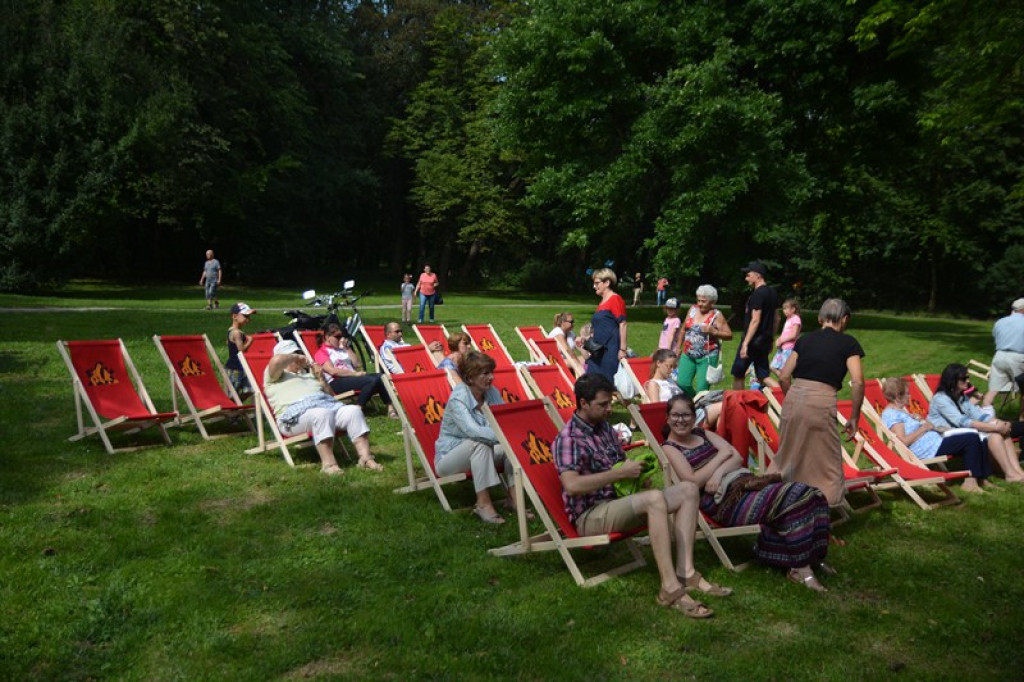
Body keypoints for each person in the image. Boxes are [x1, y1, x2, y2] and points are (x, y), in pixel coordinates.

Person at [554, 373, 729, 618]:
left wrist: (635, 474)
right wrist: (618, 475)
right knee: (654, 498)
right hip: (590, 515)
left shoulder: (603, 427)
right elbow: (571, 485)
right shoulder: (569, 439)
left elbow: (619, 461)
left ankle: (686, 572)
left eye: (609, 404)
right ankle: (669, 589)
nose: (608, 410)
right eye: (602, 405)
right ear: (583, 403)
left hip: (617, 502)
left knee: (688, 490)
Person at [661, 394, 833, 592]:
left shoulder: (701, 433)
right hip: (722, 502)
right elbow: (692, 480)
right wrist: (720, 459)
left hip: (742, 484)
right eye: (675, 415)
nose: (680, 420)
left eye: (686, 415)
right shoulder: (670, 447)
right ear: (667, 418)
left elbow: (736, 456)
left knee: (814, 494)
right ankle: (801, 568)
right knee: (796, 496)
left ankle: (810, 558)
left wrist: (717, 473)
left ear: (694, 416)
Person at [770, 299, 864, 506]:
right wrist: (855, 417)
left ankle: (780, 499)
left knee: (788, 454)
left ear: (820, 318)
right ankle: (824, 507)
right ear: (845, 319)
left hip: (794, 397)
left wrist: (792, 399)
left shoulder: (804, 340)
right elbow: (857, 382)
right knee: (826, 460)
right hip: (821, 400)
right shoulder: (848, 343)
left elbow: (784, 376)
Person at [264, 340, 382, 474]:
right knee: (321, 414)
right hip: (292, 418)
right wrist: (297, 357)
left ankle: (366, 459)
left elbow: (331, 397)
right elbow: (276, 361)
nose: (298, 357)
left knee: (353, 411)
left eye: (299, 353)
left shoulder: (308, 375)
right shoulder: (273, 376)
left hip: (325, 407)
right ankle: (329, 465)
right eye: (293, 354)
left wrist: (321, 379)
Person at [434, 352, 525, 523]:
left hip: (481, 451)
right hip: (449, 458)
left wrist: (509, 438)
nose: (491, 377)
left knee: (508, 448)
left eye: (491, 372)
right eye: (485, 373)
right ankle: (483, 504)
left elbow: (505, 421)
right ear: (469, 378)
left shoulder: (491, 393)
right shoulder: (458, 399)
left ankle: (514, 499)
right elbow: (473, 431)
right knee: (479, 443)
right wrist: (506, 437)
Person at [881, 377, 993, 493]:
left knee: (979, 437)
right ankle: (970, 483)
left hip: (935, 442)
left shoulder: (901, 411)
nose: (910, 397)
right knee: (971, 439)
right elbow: (902, 442)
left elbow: (930, 426)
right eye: (907, 394)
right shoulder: (891, 414)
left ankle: (983, 479)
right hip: (926, 449)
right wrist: (923, 428)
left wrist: (921, 421)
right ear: (898, 397)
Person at [928, 364, 1024, 483]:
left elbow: (979, 416)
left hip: (962, 430)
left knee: (1004, 432)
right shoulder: (941, 399)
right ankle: (1010, 474)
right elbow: (963, 422)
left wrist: (1001, 423)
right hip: (945, 434)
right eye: (964, 378)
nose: (967, 381)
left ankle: (1017, 471)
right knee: (995, 434)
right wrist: (995, 427)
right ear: (952, 380)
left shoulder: (961, 397)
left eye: (967, 377)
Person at [314, 323, 398, 419]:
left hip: (352, 378)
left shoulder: (342, 349)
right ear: (327, 337)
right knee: (371, 381)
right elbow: (332, 371)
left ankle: (390, 408)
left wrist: (347, 348)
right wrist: (355, 374)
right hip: (336, 382)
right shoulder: (321, 352)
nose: (340, 339)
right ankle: (358, 409)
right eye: (337, 337)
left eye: (342, 336)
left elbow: (357, 364)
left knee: (380, 377)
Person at [731, 262, 780, 390]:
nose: (746, 278)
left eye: (748, 275)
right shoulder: (772, 293)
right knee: (763, 376)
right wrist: (770, 339)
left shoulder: (758, 294)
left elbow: (755, 320)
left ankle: (739, 407)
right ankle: (786, 398)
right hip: (764, 341)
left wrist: (745, 343)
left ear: (757, 276)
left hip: (752, 341)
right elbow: (777, 319)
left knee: (738, 373)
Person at [678, 285, 733, 397]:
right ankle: (695, 400)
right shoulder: (692, 310)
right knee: (682, 383)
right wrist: (677, 347)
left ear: (712, 302)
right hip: (687, 354)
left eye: (703, 301)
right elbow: (683, 329)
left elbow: (729, 335)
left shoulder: (717, 315)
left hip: (707, 357)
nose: (700, 304)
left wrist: (714, 331)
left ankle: (699, 408)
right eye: (698, 300)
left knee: (702, 390)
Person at [982, 298, 1024, 419]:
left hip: (999, 356)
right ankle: (1022, 421)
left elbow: (996, 337)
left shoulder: (1000, 322)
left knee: (993, 390)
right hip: (1019, 358)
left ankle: (985, 417)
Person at [586, 268, 628, 382]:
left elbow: (623, 324)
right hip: (598, 350)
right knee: (591, 382)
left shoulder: (615, 299)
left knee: (608, 384)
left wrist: (622, 349)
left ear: (607, 283)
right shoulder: (602, 302)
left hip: (610, 349)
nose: (594, 286)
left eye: (597, 283)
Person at [765, 299, 802, 388]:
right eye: (783, 308)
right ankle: (785, 383)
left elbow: (793, 335)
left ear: (793, 309)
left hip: (789, 349)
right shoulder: (789, 319)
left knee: (785, 370)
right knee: (772, 366)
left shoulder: (796, 319)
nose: (784, 311)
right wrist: (779, 341)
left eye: (786, 308)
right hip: (783, 348)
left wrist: (781, 340)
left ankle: (787, 385)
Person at [224, 302, 256, 400]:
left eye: (249, 316)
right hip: (234, 368)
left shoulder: (231, 330)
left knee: (251, 389)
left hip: (241, 367)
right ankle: (233, 409)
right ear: (235, 316)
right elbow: (241, 351)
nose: (248, 319)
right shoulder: (236, 333)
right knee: (233, 393)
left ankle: (237, 405)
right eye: (245, 316)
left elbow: (227, 342)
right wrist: (250, 342)